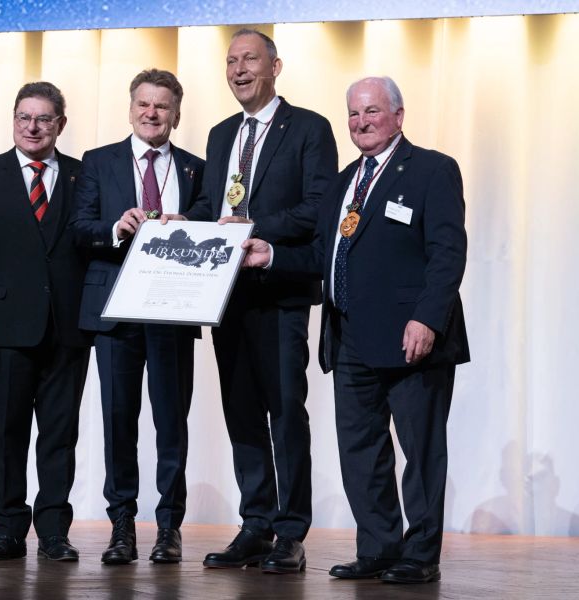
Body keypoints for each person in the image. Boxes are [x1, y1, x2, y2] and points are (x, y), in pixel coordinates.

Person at [242, 76, 470, 584]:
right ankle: (379, 547)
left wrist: (428, 318)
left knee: (420, 451)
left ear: (398, 115)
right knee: (361, 451)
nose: (361, 122)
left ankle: (421, 553)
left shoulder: (432, 170)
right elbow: (324, 255)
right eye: (353, 114)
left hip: (413, 340)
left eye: (371, 112)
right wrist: (272, 254)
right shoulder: (345, 181)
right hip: (349, 341)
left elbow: (448, 253)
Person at [170, 29, 338, 574]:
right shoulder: (221, 135)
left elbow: (318, 208)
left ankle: (291, 531)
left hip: (280, 294)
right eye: (231, 61)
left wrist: (252, 227)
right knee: (241, 412)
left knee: (286, 412)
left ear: (276, 67)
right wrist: (181, 222)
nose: (239, 70)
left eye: (250, 60)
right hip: (225, 297)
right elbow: (208, 205)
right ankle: (256, 524)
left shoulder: (309, 129)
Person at [0, 81, 91, 561]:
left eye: (44, 118)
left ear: (60, 125)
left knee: (59, 433)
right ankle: (9, 528)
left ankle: (53, 531)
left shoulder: (82, 175)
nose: (33, 127)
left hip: (69, 328)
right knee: (7, 432)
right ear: (13, 120)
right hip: (4, 329)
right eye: (24, 117)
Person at [71, 69, 204, 565]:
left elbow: (214, 221)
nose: (152, 113)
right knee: (118, 422)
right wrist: (114, 228)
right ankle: (122, 526)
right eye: (144, 104)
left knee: (172, 423)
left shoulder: (195, 169)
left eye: (162, 106)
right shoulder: (98, 161)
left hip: (172, 311)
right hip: (115, 315)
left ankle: (169, 528)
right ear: (131, 108)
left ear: (176, 114)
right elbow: (79, 229)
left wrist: (191, 225)